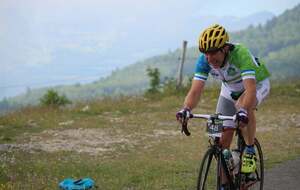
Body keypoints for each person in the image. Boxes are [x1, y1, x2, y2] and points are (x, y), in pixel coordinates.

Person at [176, 24, 270, 189]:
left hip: (256, 85)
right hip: (229, 89)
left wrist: (241, 111)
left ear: (225, 48)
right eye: (206, 53)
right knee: (218, 137)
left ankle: (249, 151)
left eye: (213, 53)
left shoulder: (240, 54)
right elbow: (195, 91)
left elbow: (250, 89)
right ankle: (225, 184)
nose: (210, 59)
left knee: (243, 106)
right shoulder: (204, 61)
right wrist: (186, 109)